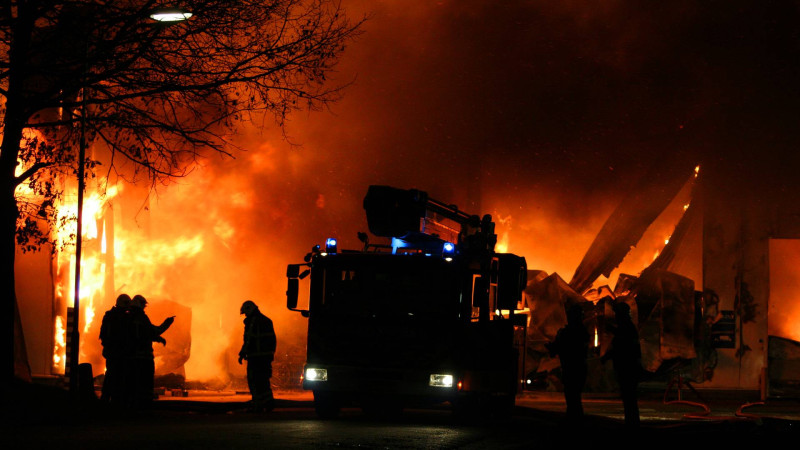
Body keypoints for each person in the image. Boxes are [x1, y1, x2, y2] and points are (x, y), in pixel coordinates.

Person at [601, 302, 642, 427]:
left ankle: (632, 424)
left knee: (629, 397)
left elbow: (620, 348)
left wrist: (606, 357)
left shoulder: (626, 329)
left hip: (627, 368)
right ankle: (632, 422)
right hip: (628, 367)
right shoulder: (627, 327)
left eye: (617, 313)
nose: (615, 316)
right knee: (629, 398)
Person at [128, 294, 174, 408]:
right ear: (140, 305)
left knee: (133, 381)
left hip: (130, 357)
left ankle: (134, 401)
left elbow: (144, 334)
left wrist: (157, 339)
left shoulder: (127, 318)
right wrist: (167, 323)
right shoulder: (141, 318)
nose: (144, 307)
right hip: (144, 357)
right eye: (143, 305)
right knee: (146, 380)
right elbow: (153, 331)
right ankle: (145, 404)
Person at [547, 303, 590, 421]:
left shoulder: (568, 332)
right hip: (579, 367)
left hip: (571, 368)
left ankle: (573, 422)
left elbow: (558, 349)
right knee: (575, 397)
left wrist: (553, 346)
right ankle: (576, 422)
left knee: (572, 397)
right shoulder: (583, 332)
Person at [238, 300, 277, 412]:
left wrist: (242, 353)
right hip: (265, 358)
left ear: (249, 309)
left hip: (255, 358)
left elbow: (249, 339)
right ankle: (268, 404)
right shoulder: (266, 320)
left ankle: (257, 405)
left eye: (245, 313)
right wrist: (269, 356)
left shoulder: (253, 322)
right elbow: (272, 341)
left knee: (254, 381)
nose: (245, 315)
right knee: (264, 382)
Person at [99, 293, 132, 405]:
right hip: (118, 352)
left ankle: (107, 398)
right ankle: (114, 400)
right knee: (117, 375)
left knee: (111, 375)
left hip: (112, 351)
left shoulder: (109, 316)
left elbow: (103, 335)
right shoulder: (121, 317)